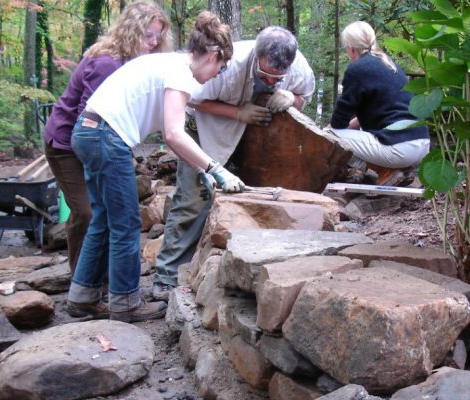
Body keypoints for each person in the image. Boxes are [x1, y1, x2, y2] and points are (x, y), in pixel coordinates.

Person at [66, 11, 243, 323]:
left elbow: (170, 133)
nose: (218, 74)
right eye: (222, 66)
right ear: (213, 54)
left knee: (104, 219)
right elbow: (174, 134)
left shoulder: (167, 64)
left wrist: (200, 168)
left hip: (87, 131)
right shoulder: (180, 72)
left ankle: (82, 296)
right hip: (106, 135)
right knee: (126, 224)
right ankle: (125, 303)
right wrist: (217, 168)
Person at [152, 26, 315, 300]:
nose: (272, 82)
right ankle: (167, 278)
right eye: (265, 75)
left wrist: (293, 98)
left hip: (254, 134)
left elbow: (304, 96)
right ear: (256, 57)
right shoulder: (229, 62)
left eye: (279, 78)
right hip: (204, 128)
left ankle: (226, 271)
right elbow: (194, 100)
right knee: (192, 200)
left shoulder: (299, 67)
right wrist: (237, 112)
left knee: (246, 198)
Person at [44, 1, 173, 275]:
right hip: (66, 145)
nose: (153, 42)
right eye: (147, 35)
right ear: (130, 31)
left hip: (94, 142)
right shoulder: (107, 63)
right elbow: (88, 121)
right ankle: (80, 279)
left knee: (105, 211)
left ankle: (93, 281)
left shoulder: (134, 63)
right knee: (87, 212)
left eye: (157, 36)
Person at [329, 21, 430, 186]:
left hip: (399, 147)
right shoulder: (388, 64)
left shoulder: (358, 70)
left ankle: (385, 171)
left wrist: (325, 131)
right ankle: (392, 171)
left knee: (330, 135)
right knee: (340, 133)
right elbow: (379, 112)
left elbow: (338, 122)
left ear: (350, 48)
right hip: (422, 144)